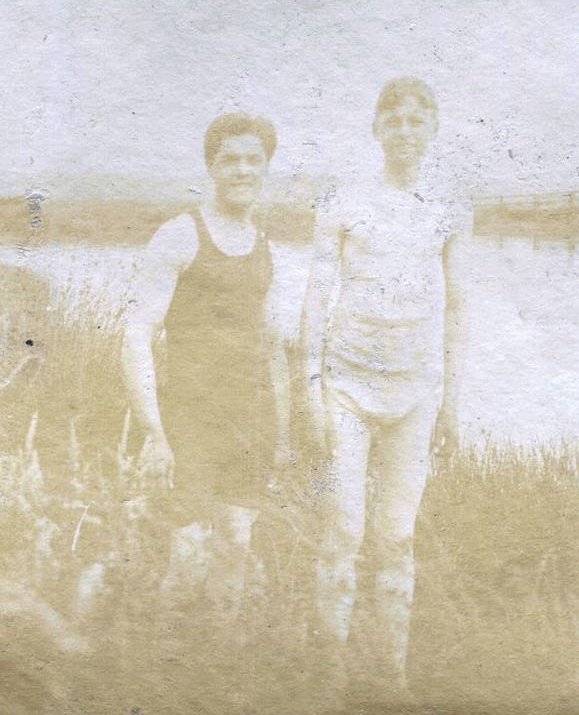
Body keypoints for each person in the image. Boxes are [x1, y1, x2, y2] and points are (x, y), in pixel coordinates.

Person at [302, 76, 470, 703]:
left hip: (415, 394)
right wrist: (310, 388)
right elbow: (317, 295)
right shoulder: (344, 203)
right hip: (345, 387)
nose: (404, 129)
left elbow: (458, 304)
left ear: (432, 129)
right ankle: (329, 677)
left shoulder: (449, 208)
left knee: (397, 533)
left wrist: (451, 399)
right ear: (376, 129)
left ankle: (390, 679)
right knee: (343, 527)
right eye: (392, 119)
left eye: (417, 118)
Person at [122, 111, 290, 620]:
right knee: (188, 556)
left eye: (253, 160)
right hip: (190, 419)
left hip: (249, 419)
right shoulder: (180, 234)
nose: (242, 170)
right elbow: (137, 336)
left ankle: (224, 671)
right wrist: (154, 432)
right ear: (211, 168)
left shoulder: (263, 245)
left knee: (235, 549)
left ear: (265, 168)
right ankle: (161, 671)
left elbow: (275, 347)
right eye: (230, 160)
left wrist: (282, 437)